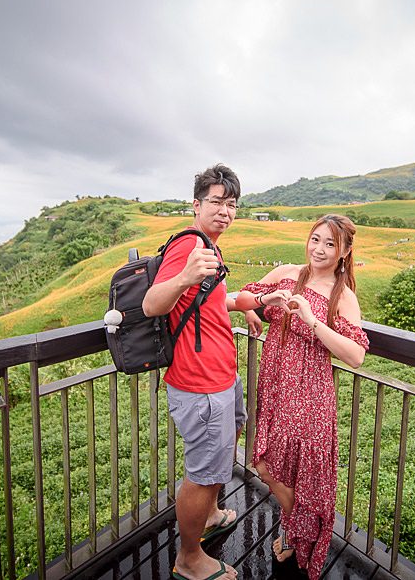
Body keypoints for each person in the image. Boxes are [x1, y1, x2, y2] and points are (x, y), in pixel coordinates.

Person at [233, 214, 369, 579]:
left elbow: (356, 355)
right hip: (276, 384)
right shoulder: (287, 272)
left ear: (345, 252)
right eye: (316, 239)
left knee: (292, 469)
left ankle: (297, 535)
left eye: (330, 244)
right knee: (265, 463)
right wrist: (260, 303)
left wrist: (312, 319)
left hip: (309, 394)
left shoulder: (343, 295)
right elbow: (239, 297)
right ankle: (299, 532)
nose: (319, 249)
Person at [143, 164, 252, 580]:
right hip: (200, 382)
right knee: (204, 473)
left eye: (231, 204)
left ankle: (207, 519)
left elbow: (204, 302)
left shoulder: (210, 246)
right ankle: (189, 559)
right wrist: (186, 272)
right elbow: (153, 303)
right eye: (216, 201)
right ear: (196, 204)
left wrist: (250, 304)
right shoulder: (189, 245)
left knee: (221, 453)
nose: (225, 210)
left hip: (222, 376)